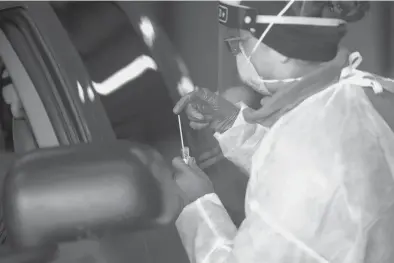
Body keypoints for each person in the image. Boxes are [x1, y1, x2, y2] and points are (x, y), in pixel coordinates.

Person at [170, 1, 394, 262]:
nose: (237, 54)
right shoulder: (361, 95)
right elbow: (318, 172)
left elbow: (304, 174)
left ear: (281, 48)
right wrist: (232, 123)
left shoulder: (306, 158)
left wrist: (198, 208)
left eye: (240, 42)